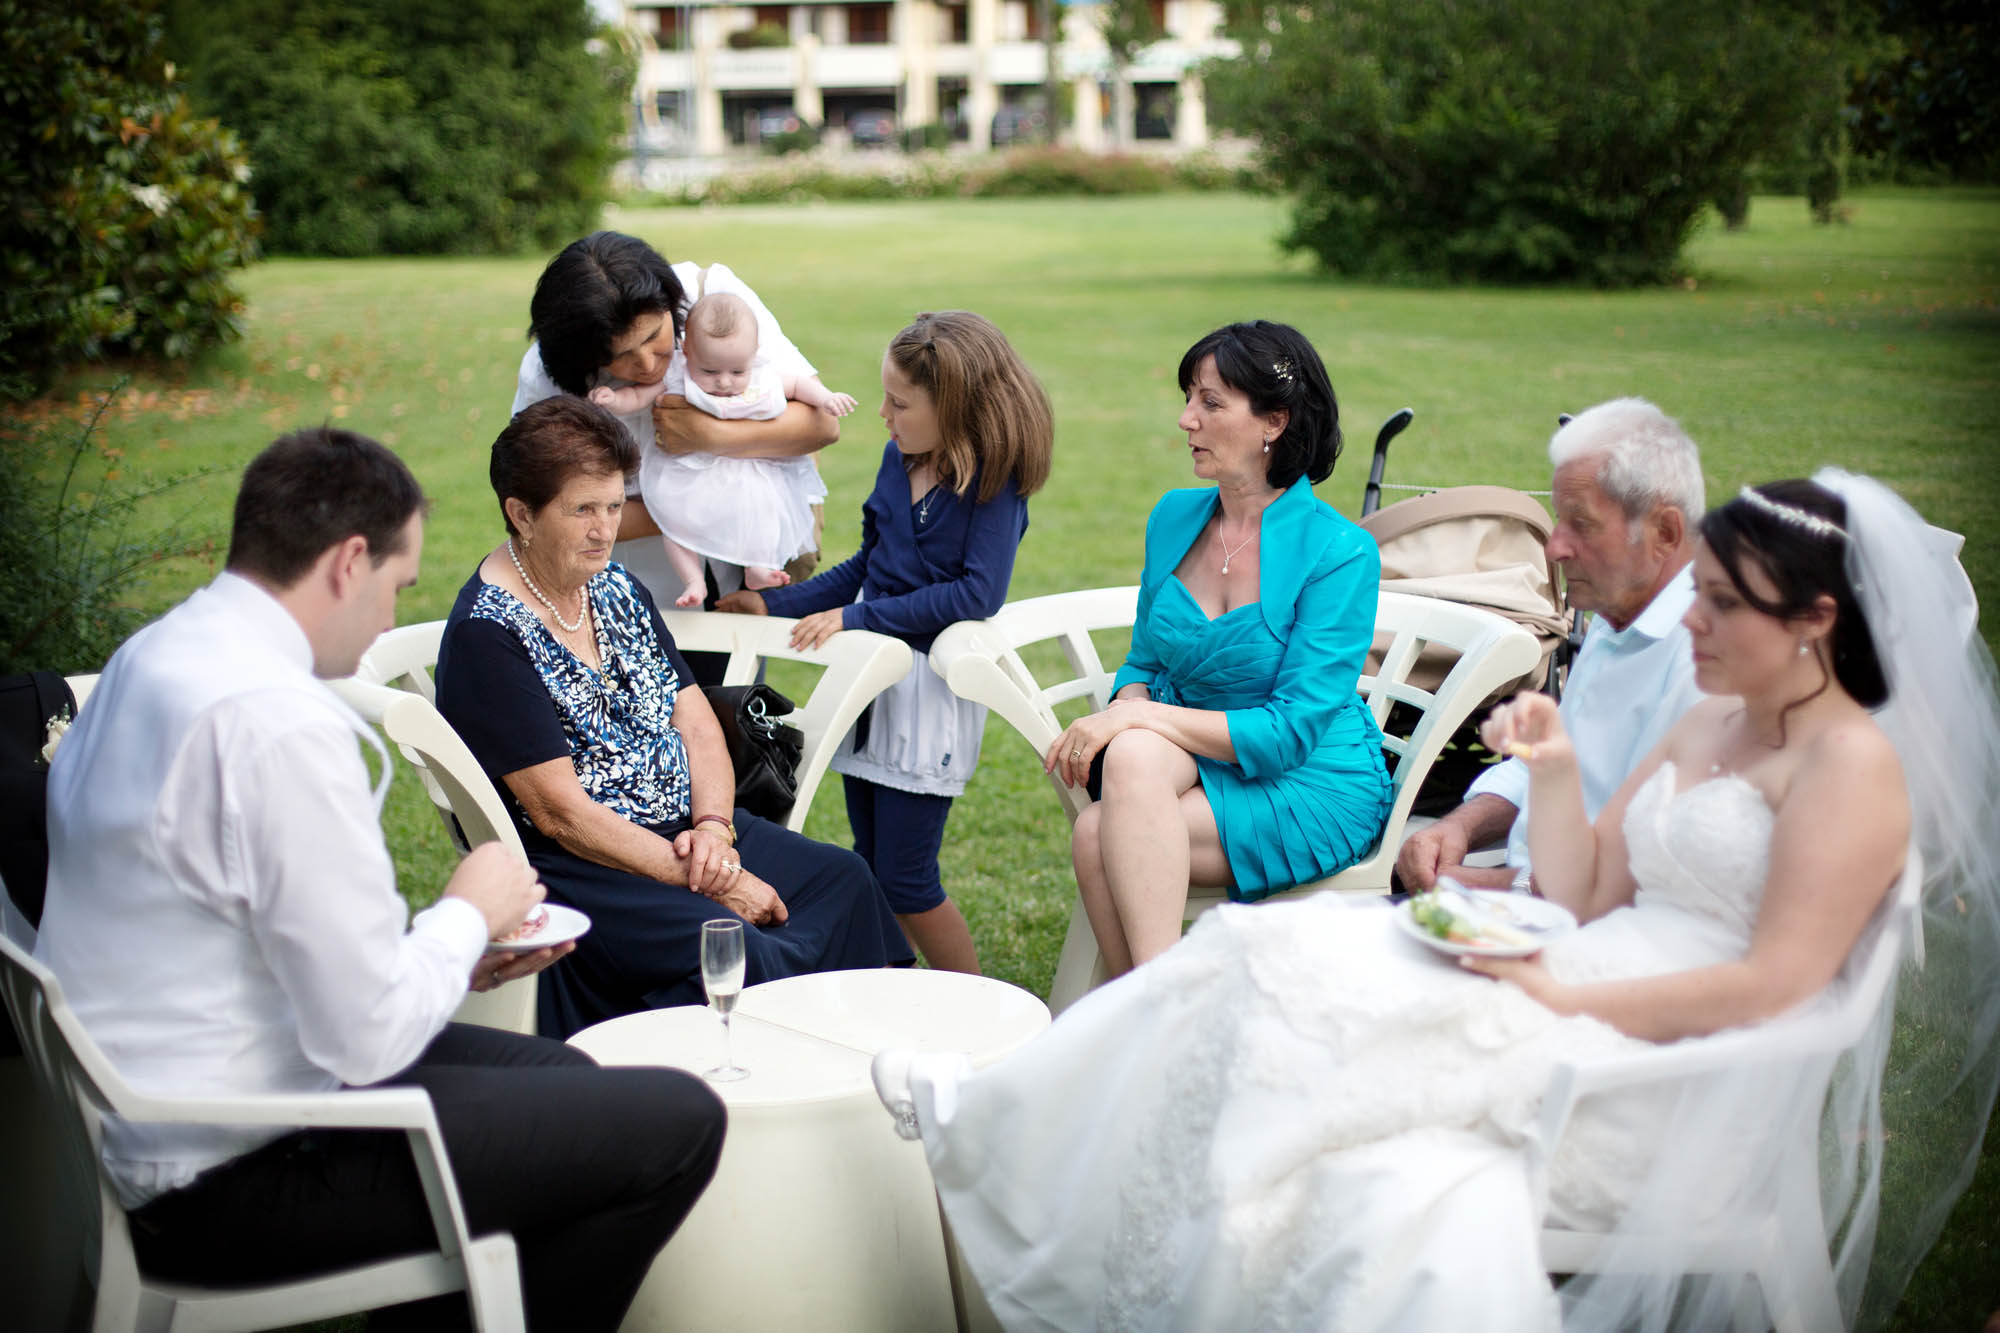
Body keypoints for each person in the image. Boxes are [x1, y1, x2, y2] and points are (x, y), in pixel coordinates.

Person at [871, 472, 2000, 1332]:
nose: (1688, 623)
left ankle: (1003, 1131)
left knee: (1272, 989)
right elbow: (1593, 884)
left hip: (1651, 1060)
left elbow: (1774, 982)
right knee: (1260, 963)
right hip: (1568, 962)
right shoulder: (1714, 718)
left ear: (1809, 617)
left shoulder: (1849, 767)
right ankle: (1021, 1136)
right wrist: (1552, 772)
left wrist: (1555, 989)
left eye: (1717, 603)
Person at [34, 427, 726, 1333]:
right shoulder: (279, 724)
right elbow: (365, 1040)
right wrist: (467, 915)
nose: (388, 620)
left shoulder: (156, 655)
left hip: (177, 1100)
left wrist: (452, 945)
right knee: (678, 1121)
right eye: (396, 588)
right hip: (234, 1165)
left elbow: (250, 929)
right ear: (347, 562)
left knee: (566, 1074)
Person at [434, 396, 912, 1039]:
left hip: (689, 830)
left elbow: (693, 718)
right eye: (582, 510)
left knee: (844, 880)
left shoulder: (615, 587)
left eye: (613, 505)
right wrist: (715, 879)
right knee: (737, 943)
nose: (606, 529)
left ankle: (861, 1059)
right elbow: (560, 814)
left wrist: (715, 831)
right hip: (587, 866)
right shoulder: (487, 635)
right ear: (521, 514)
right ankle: (753, 1092)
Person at [1042, 320, 1393, 976]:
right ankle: (1158, 1007)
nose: (1185, 420)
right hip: (1192, 759)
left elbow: (1290, 731)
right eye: (1187, 399)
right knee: (1129, 767)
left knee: (1100, 825)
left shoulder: (1340, 552)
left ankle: (1144, 1009)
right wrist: (1134, 701)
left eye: (1209, 402)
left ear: (1274, 422)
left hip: (1309, 776)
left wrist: (1137, 715)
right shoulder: (1174, 515)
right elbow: (1144, 661)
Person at [716, 311, 1054, 976]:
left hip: (929, 694)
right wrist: (771, 602)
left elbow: (974, 595)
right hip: (870, 688)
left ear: (954, 407)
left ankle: (975, 1004)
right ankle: (893, 999)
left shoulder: (994, 482)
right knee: (871, 869)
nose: (883, 414)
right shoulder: (898, 459)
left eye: (900, 403)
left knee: (907, 880)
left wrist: (856, 620)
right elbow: (866, 566)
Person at [1398, 397, 1706, 892]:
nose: (1554, 547)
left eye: (1580, 525)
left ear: (1664, 532)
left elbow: (1637, 873)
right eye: (1558, 520)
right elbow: (1546, 764)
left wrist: (1472, 885)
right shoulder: (1618, 614)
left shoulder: (1705, 660)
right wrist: (1459, 827)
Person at [511, 231, 834, 610]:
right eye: (620, 357)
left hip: (731, 580)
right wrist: (693, 502)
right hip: (620, 593)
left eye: (653, 336)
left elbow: (822, 426)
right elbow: (546, 514)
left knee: (732, 667)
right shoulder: (549, 370)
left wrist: (708, 434)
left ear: (671, 303)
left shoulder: (712, 300)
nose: (647, 364)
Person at [603, 290, 855, 607]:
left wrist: (825, 397)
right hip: (688, 475)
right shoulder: (678, 376)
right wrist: (616, 401)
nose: (724, 382)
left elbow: (796, 386)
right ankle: (693, 580)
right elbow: (640, 397)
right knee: (673, 525)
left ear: (754, 354)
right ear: (687, 352)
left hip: (746, 474)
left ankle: (758, 568)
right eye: (709, 371)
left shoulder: (763, 376)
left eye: (737, 372)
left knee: (763, 513)